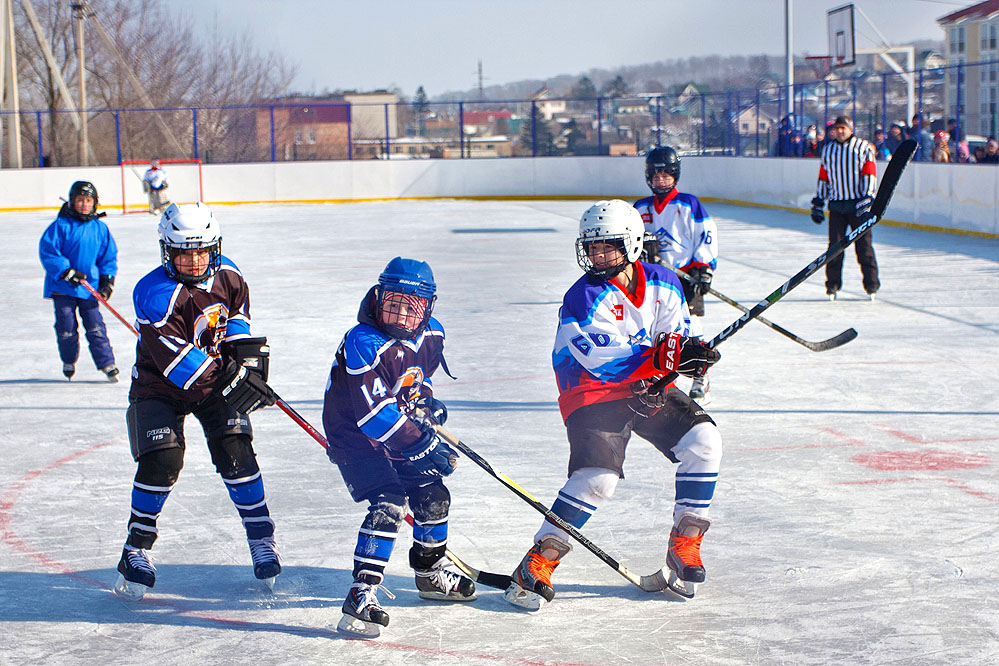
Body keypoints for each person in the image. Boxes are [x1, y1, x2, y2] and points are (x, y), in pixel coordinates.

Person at [503, 200, 723, 611]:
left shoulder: (665, 283)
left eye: (609, 246)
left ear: (633, 244)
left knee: (704, 442)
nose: (598, 255)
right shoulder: (582, 297)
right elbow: (601, 361)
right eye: (593, 247)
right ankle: (539, 560)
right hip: (592, 392)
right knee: (599, 479)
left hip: (647, 385)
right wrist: (664, 361)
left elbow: (671, 342)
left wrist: (687, 355)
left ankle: (686, 544)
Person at [112, 202, 281, 601]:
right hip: (160, 388)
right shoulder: (154, 294)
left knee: (236, 449)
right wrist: (232, 377)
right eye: (184, 253)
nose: (194, 261)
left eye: (202, 251)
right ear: (166, 252)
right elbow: (176, 364)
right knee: (162, 458)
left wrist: (245, 358)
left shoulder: (229, 274)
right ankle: (136, 546)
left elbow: (237, 314)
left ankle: (261, 537)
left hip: (214, 381)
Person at [322, 257, 475, 638]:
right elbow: (374, 416)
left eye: (413, 305)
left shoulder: (433, 334)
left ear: (428, 307)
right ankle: (362, 592)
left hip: (398, 427)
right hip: (354, 437)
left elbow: (416, 382)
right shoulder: (363, 341)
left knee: (433, 494)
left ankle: (429, 572)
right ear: (379, 297)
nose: (402, 312)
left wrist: (425, 402)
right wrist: (423, 443)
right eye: (394, 301)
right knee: (389, 502)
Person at [633, 146, 718, 403]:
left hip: (684, 278)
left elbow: (706, 235)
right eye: (656, 175)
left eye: (666, 175)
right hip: (651, 280)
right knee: (653, 329)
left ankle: (700, 377)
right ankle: (657, 376)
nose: (661, 180)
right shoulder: (640, 207)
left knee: (690, 325)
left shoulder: (688, 203)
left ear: (675, 175)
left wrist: (703, 269)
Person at [38, 181, 119, 382]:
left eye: (88, 200)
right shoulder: (60, 226)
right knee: (66, 325)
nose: (84, 204)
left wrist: (107, 280)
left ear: (95, 203)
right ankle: (68, 360)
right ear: (72, 202)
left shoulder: (100, 228)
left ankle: (107, 364)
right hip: (63, 287)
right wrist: (66, 270)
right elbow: (48, 251)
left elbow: (108, 257)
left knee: (95, 325)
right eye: (80, 200)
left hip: (87, 288)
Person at [810, 115, 880, 300]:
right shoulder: (828, 150)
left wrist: (867, 198)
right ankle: (832, 285)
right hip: (837, 206)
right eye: (837, 128)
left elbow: (870, 172)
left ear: (851, 129)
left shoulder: (863, 148)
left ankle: (871, 285)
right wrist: (819, 200)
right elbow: (824, 176)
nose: (840, 131)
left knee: (864, 248)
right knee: (834, 248)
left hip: (859, 206)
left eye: (844, 128)